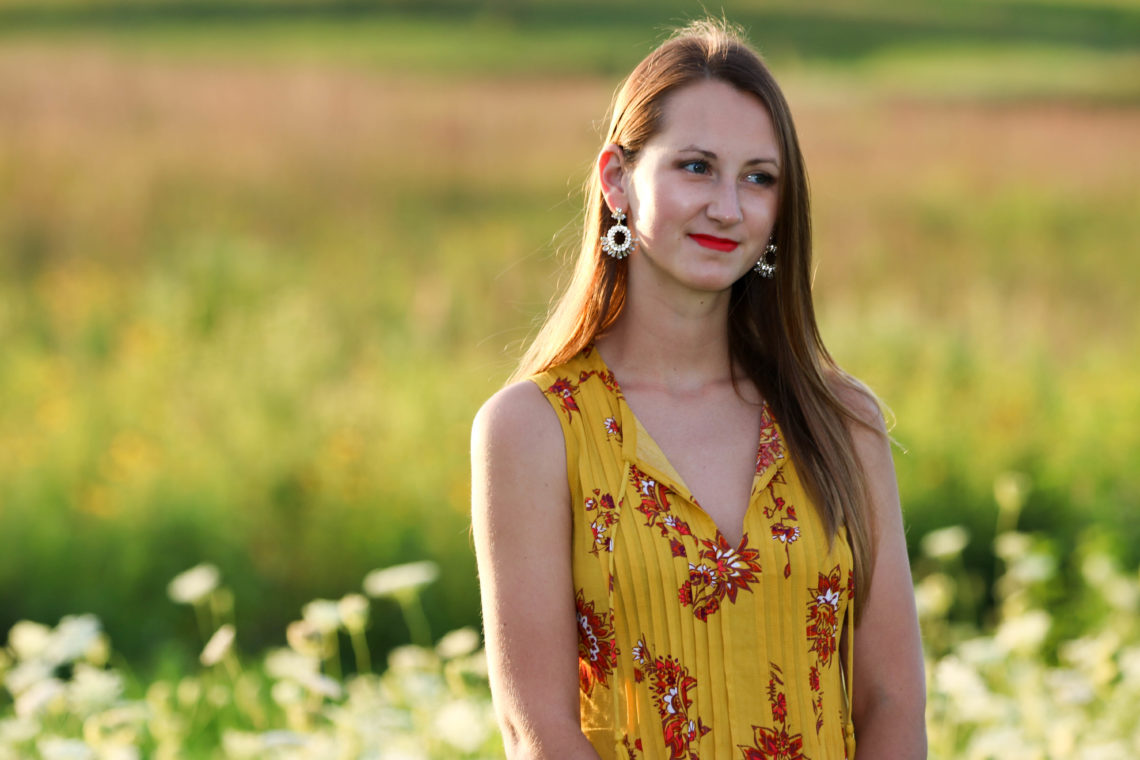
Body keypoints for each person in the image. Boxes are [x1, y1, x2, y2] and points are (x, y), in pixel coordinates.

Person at [471, 19, 926, 760]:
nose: (728, 206)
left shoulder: (842, 420)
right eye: (695, 167)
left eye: (758, 178)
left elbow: (892, 702)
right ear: (617, 180)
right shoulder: (532, 428)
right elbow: (537, 727)